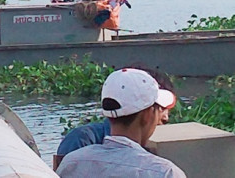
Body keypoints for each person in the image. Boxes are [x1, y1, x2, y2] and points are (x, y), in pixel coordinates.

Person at [56, 68, 186, 177]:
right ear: (147, 114)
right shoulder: (164, 173)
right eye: (158, 110)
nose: (164, 118)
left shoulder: (71, 163)